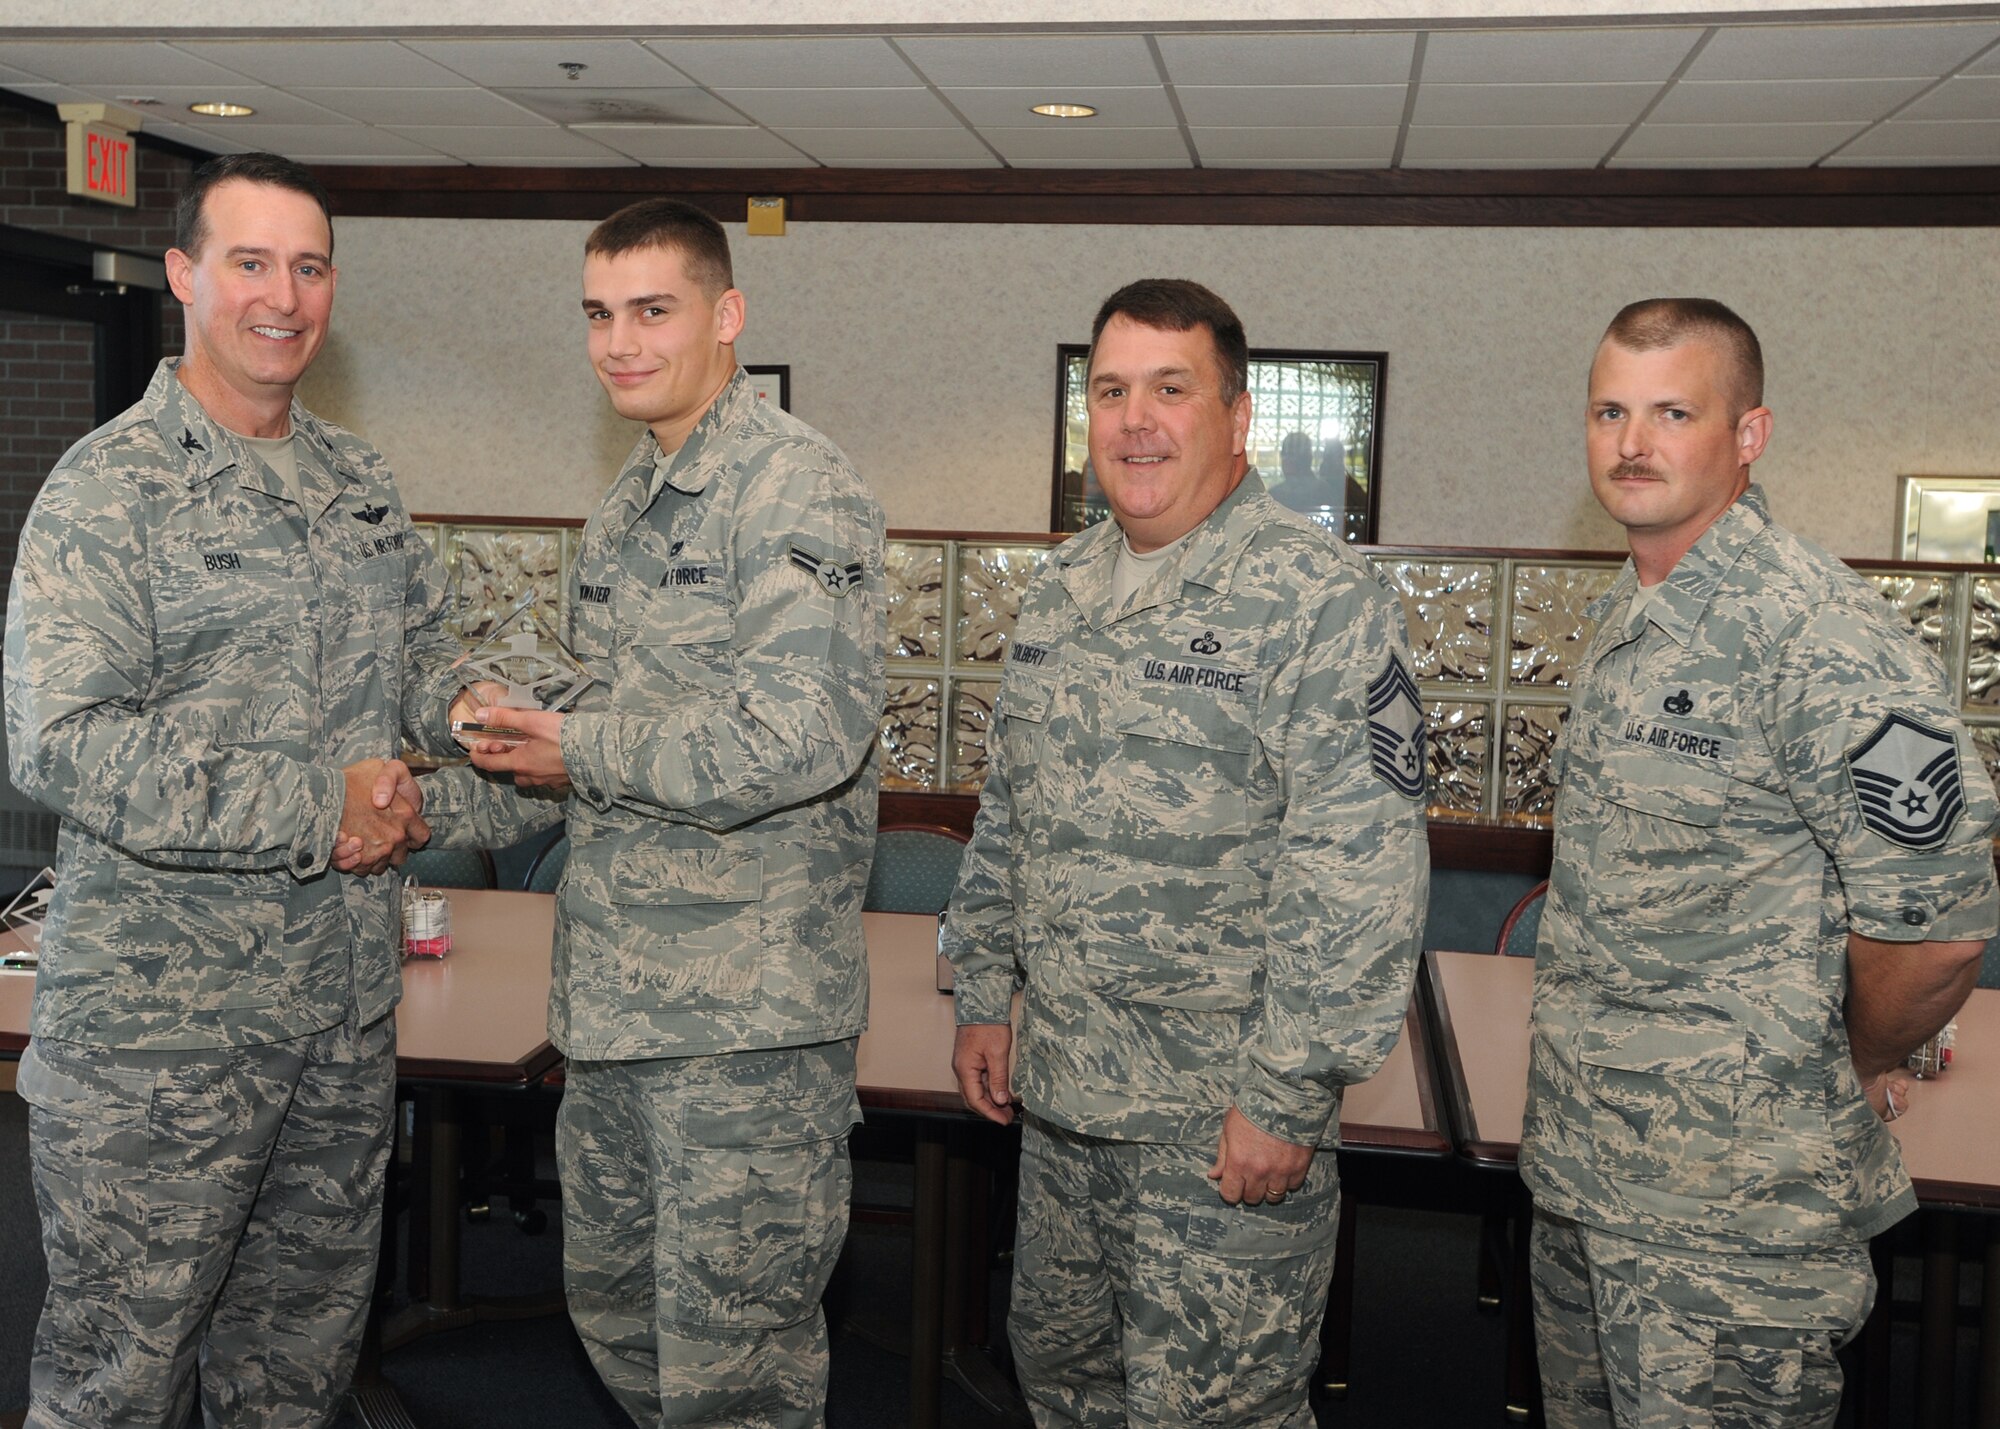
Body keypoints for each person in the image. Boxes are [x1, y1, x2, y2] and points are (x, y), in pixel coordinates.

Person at [3, 152, 464, 1429]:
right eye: (251, 263)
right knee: (118, 1389)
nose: (284, 295)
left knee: (295, 1381)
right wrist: (320, 803)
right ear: (184, 276)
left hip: (337, 1028)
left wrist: (509, 718)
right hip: (160, 1048)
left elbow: (426, 675)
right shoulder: (110, 489)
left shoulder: (357, 484)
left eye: (309, 266)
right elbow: (67, 743)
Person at [421, 197, 885, 1428]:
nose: (619, 342)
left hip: (742, 1030)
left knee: (736, 1378)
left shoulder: (791, 486)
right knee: (620, 1318)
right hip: (621, 1007)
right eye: (598, 314)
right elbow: (587, 725)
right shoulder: (634, 500)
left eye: (652, 310)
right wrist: (436, 782)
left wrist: (573, 743)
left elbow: (798, 736)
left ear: (725, 315)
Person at [944, 278, 1429, 1426]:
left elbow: (1358, 871)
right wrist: (983, 989)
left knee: (1215, 1414)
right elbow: (1010, 808)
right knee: (1064, 1388)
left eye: (1169, 389)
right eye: (1109, 392)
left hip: (1216, 1130)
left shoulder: (1317, 599)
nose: (1133, 420)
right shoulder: (1060, 591)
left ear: (1237, 415)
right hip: (1060, 1106)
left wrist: (1287, 1093)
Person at [1520, 298, 2000, 1429]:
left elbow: (1935, 929)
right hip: (1590, 1179)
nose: (1631, 442)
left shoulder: (1814, 636)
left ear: (1748, 434)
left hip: (1732, 1218)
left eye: (1671, 411)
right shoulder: (1624, 618)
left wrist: (1845, 1053)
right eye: (1609, 410)